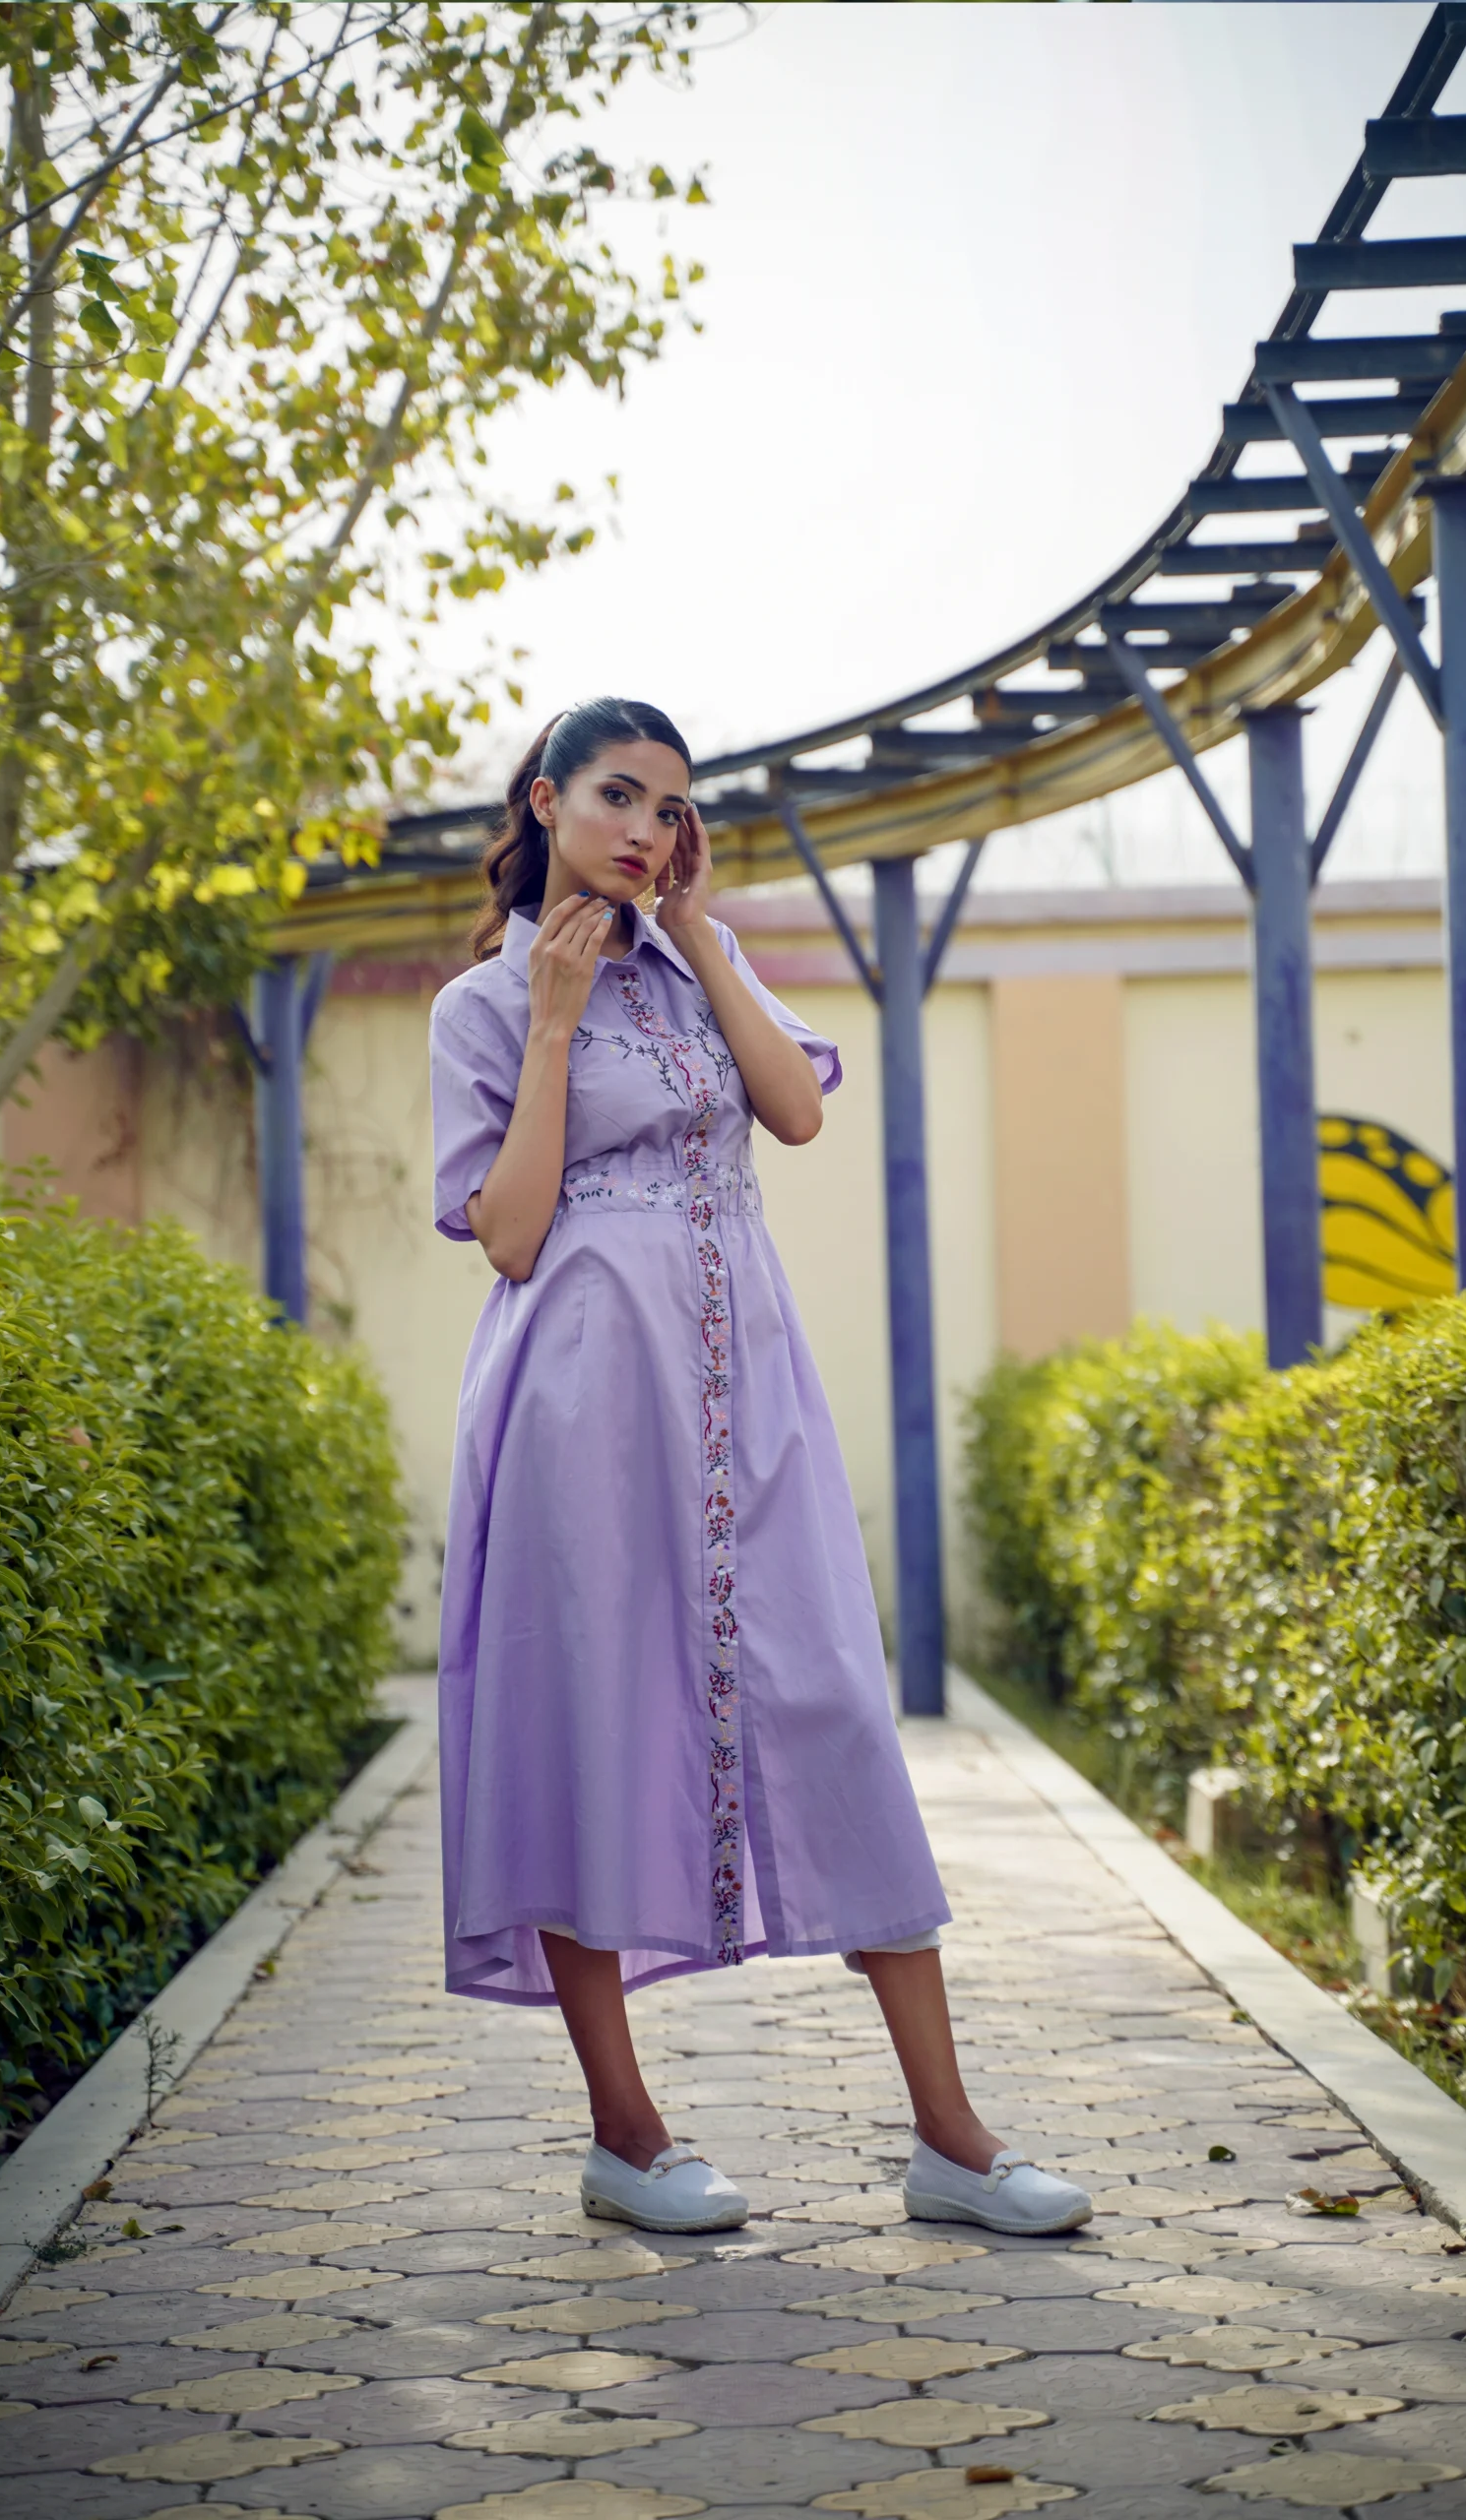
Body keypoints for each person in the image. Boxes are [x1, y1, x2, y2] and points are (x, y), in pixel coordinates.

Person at [430, 695, 1091, 2240]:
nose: (645, 830)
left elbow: (791, 1113)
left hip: (749, 1395)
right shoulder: (479, 1007)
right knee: (588, 1726)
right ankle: (628, 2134)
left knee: (834, 1707)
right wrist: (545, 1019)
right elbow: (512, 1235)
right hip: (581, 1406)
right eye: (616, 796)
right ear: (545, 802)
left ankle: (949, 2137)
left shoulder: (697, 965)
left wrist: (709, 936)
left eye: (668, 806)